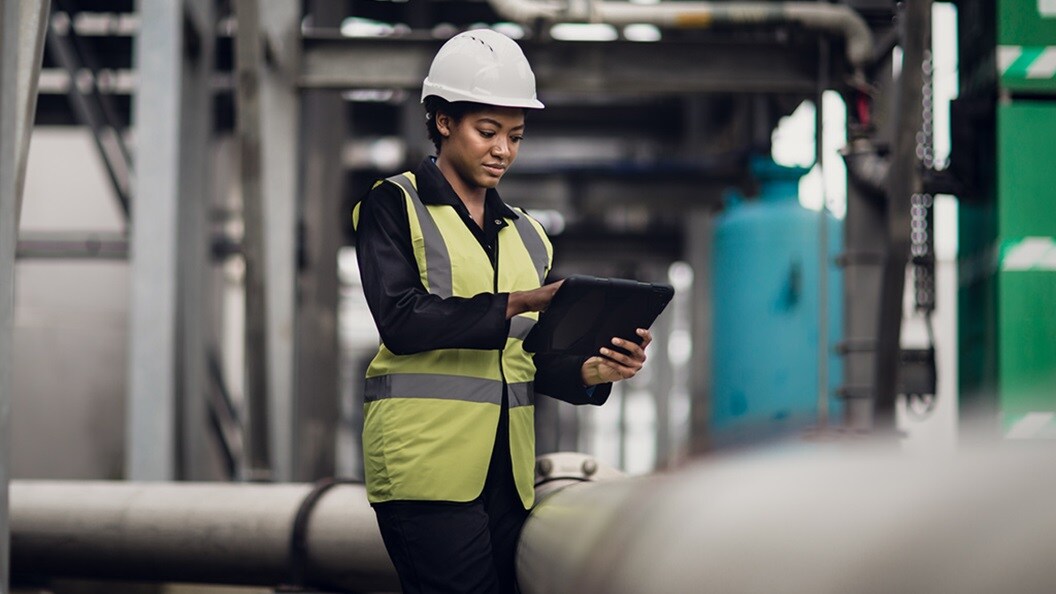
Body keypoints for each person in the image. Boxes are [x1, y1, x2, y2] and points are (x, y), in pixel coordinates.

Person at [352, 29, 652, 593]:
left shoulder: (530, 237)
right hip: (426, 468)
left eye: (515, 136)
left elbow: (525, 358)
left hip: (507, 474)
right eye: (487, 132)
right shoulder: (393, 204)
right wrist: (520, 301)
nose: (503, 151)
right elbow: (401, 319)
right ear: (443, 121)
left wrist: (593, 371)